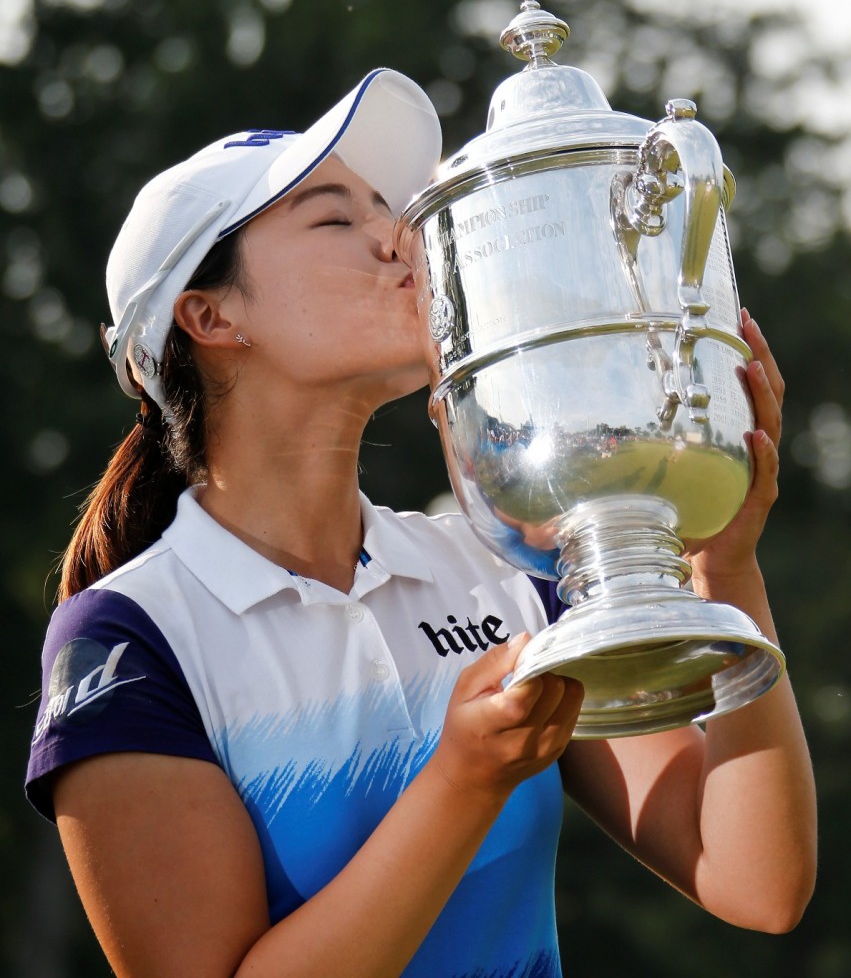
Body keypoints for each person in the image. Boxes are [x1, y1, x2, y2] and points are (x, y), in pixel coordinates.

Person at [26, 68, 816, 978]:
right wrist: (463, 781)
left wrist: (727, 570)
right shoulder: (127, 639)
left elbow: (757, 882)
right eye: (336, 219)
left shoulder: (495, 570)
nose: (400, 239)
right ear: (208, 316)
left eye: (386, 211)